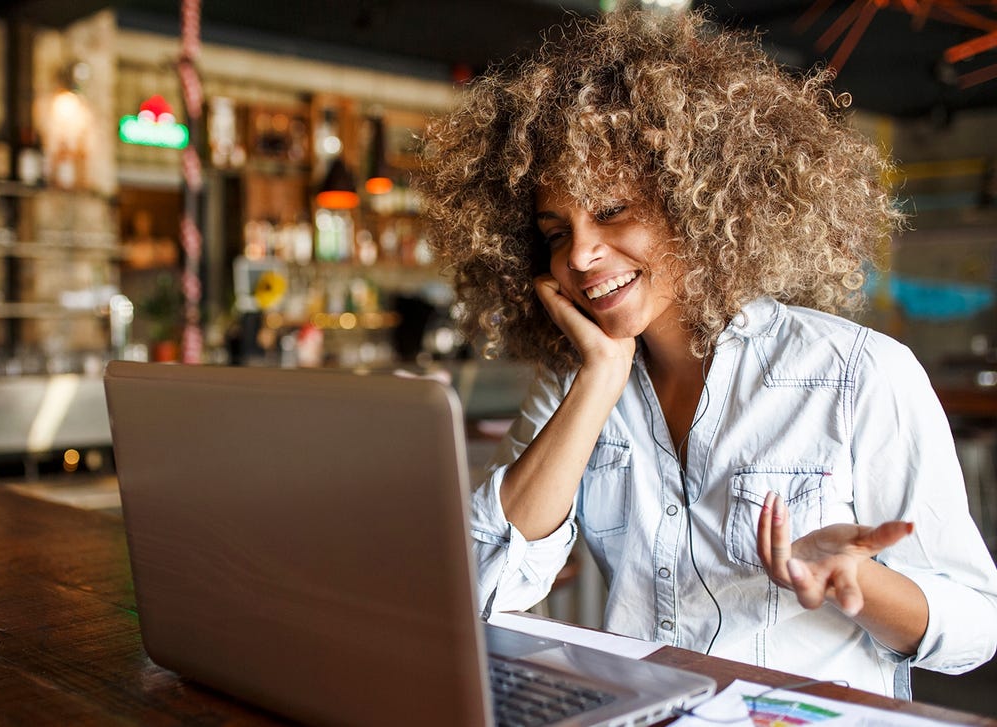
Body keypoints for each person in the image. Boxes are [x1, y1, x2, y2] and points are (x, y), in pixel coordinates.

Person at [418, 9, 997, 699]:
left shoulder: (857, 374)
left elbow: (976, 630)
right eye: (555, 231)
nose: (578, 254)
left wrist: (858, 582)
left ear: (693, 198)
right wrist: (601, 377)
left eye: (611, 211)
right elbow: (479, 588)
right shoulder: (579, 380)